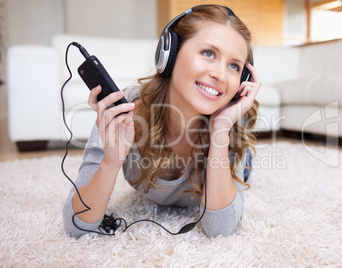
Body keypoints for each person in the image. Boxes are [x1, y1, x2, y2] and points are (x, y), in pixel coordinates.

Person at [63, 4, 261, 238]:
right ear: (169, 55)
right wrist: (111, 161)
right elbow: (75, 225)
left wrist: (220, 132)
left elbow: (219, 230)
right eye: (208, 53)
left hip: (232, 151)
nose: (219, 74)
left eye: (233, 66)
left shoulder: (231, 123)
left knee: (245, 167)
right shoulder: (124, 111)